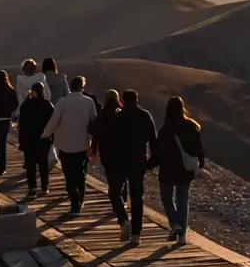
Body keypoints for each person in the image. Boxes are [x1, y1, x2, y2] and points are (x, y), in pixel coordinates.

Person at [100, 88, 157, 237]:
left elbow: (109, 141)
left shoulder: (117, 117)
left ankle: (124, 221)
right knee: (137, 197)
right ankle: (136, 234)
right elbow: (153, 140)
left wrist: (108, 160)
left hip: (119, 161)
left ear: (123, 101)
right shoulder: (145, 116)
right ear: (137, 99)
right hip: (138, 161)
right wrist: (152, 161)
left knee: (114, 192)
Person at [155, 93, 206, 241]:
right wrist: (200, 163)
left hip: (168, 170)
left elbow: (158, 151)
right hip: (185, 170)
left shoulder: (165, 129)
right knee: (183, 200)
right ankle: (182, 235)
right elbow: (199, 147)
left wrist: (150, 164)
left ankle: (174, 223)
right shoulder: (191, 126)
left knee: (166, 197)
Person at [47, 74, 99, 217]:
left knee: (69, 174)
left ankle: (74, 202)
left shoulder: (62, 102)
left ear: (70, 86)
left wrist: (45, 135)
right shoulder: (89, 102)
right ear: (82, 87)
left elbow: (54, 121)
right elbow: (93, 122)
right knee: (80, 173)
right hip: (82, 143)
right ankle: (80, 199)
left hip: (64, 144)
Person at [16, 73, 57, 196]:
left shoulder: (27, 104)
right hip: (43, 138)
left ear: (33, 91)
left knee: (30, 164)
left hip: (28, 138)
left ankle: (32, 188)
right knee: (43, 164)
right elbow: (53, 122)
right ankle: (44, 187)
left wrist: (20, 139)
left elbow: (21, 122)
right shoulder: (47, 104)